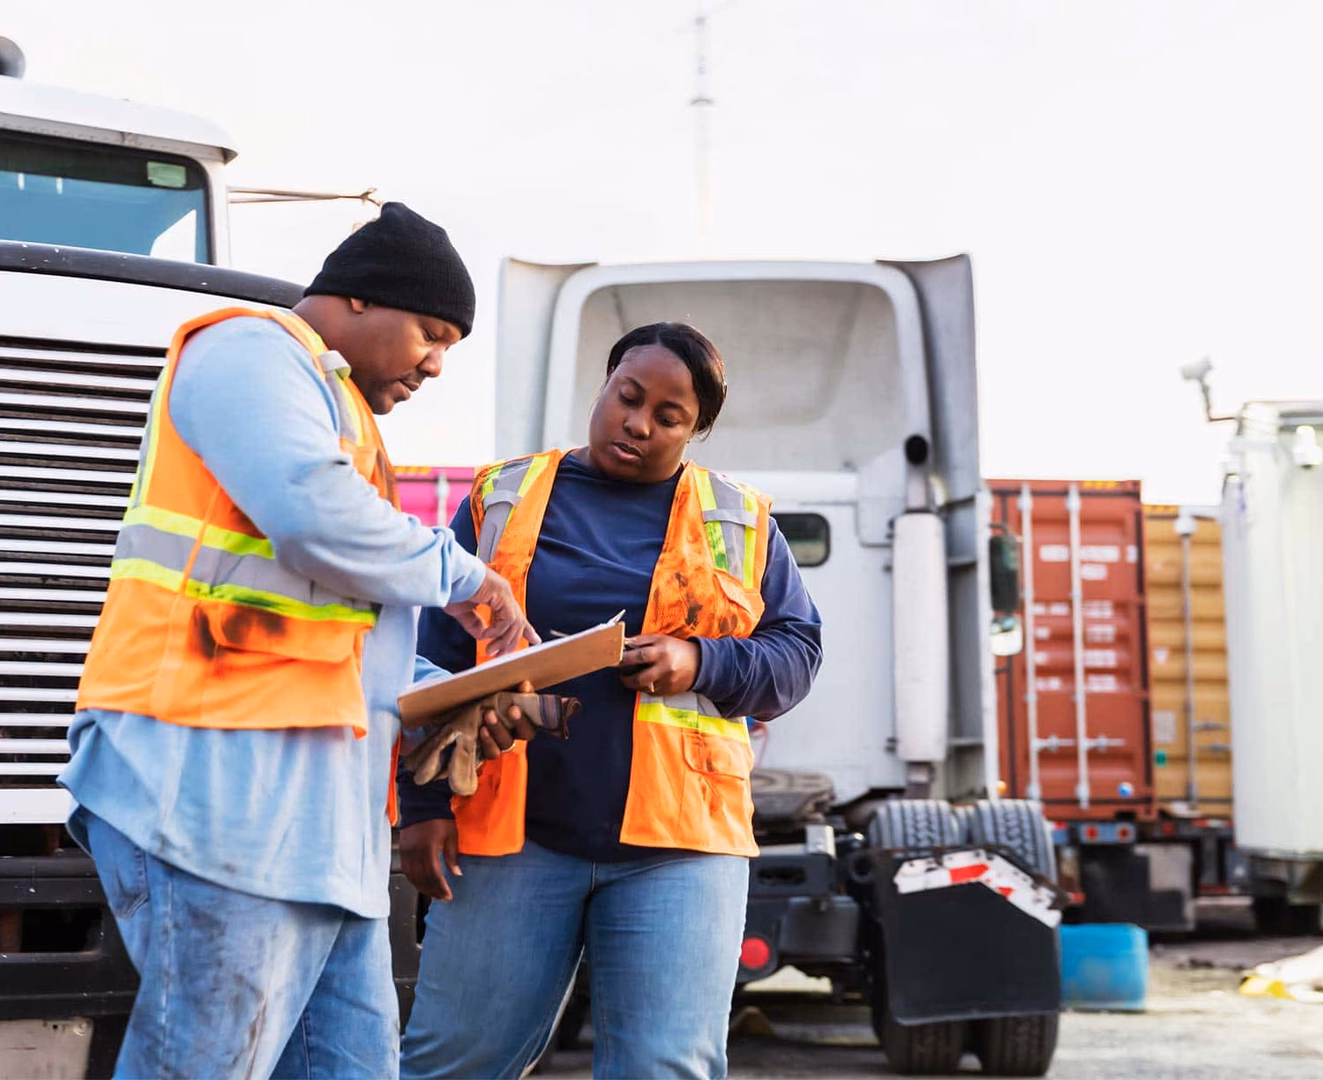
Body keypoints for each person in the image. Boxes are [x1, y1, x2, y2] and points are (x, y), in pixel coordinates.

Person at [61, 203, 537, 1079]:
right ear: (359, 299)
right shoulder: (248, 352)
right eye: (431, 334)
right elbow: (312, 522)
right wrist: (469, 577)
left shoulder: (340, 415)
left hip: (320, 833)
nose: (436, 364)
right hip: (211, 799)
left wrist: (443, 696)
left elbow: (337, 633)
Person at [398, 322, 824, 1079]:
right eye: (629, 398)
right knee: (454, 1060)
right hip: (512, 837)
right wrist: (424, 809)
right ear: (602, 387)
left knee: (663, 1067)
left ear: (695, 433)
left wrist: (699, 658)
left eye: (669, 416)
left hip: (680, 850)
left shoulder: (742, 520)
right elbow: (429, 663)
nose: (639, 423)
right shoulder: (501, 497)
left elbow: (796, 656)